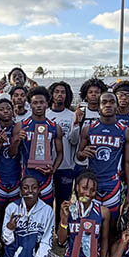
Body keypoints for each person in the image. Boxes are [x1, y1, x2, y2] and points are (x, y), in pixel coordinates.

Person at [76, 92, 129, 221]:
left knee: (112, 223)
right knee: (89, 221)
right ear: (98, 107)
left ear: (117, 106)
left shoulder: (125, 132)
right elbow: (79, 156)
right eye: (104, 102)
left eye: (112, 102)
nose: (108, 105)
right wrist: (82, 153)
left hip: (112, 182)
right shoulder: (88, 129)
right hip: (92, 183)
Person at [1, 177, 56, 257]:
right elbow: (6, 241)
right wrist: (9, 229)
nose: (30, 191)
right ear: (20, 191)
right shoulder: (12, 208)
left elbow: (46, 243)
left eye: (34, 187)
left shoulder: (47, 210)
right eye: (25, 188)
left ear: (39, 190)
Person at [12, 87, 63, 207]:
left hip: (46, 179)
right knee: (26, 213)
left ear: (47, 104)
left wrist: (53, 170)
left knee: (46, 212)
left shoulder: (55, 127)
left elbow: (60, 153)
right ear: (30, 105)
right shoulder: (21, 126)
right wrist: (17, 140)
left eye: (41, 102)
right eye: (35, 103)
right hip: (26, 177)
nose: (39, 105)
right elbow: (12, 154)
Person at [47, 81, 79, 226]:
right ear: (51, 94)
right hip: (47, 166)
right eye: (56, 92)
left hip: (66, 166)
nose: (59, 95)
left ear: (67, 96)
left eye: (63, 92)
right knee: (46, 203)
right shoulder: (45, 114)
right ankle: (47, 231)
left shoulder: (72, 116)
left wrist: (77, 124)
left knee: (63, 202)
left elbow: (74, 140)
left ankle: (61, 232)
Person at [0, 98, 22, 231]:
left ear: (13, 111)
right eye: (2, 109)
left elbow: (14, 153)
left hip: (16, 176)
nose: (5, 111)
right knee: (0, 212)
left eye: (8, 109)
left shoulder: (19, 128)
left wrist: (15, 141)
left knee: (15, 213)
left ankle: (12, 239)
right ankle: (0, 239)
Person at [72, 78, 108, 170]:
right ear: (85, 95)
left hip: (101, 161)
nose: (93, 94)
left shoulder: (107, 114)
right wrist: (76, 124)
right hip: (82, 162)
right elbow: (73, 140)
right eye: (90, 92)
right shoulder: (80, 113)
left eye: (97, 92)